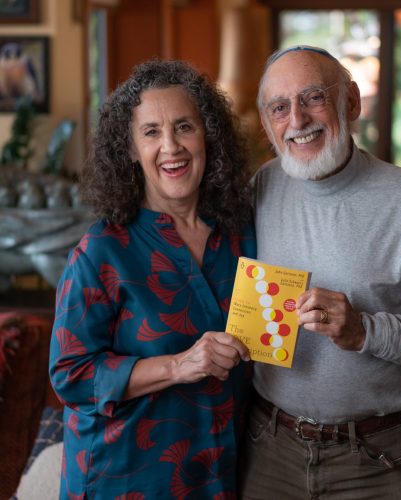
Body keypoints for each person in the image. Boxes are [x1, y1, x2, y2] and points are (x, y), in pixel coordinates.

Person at [239, 45, 401, 500]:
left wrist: (366, 332)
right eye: (280, 107)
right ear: (266, 123)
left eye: (313, 97)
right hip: (269, 446)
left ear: (350, 102)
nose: (297, 120)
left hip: (374, 457)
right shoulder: (260, 189)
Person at [49, 59, 256, 499]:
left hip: (217, 472)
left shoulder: (242, 235)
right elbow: (70, 374)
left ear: (208, 136)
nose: (171, 146)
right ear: (129, 150)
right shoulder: (102, 251)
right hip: (123, 476)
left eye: (184, 127)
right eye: (151, 132)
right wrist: (180, 366)